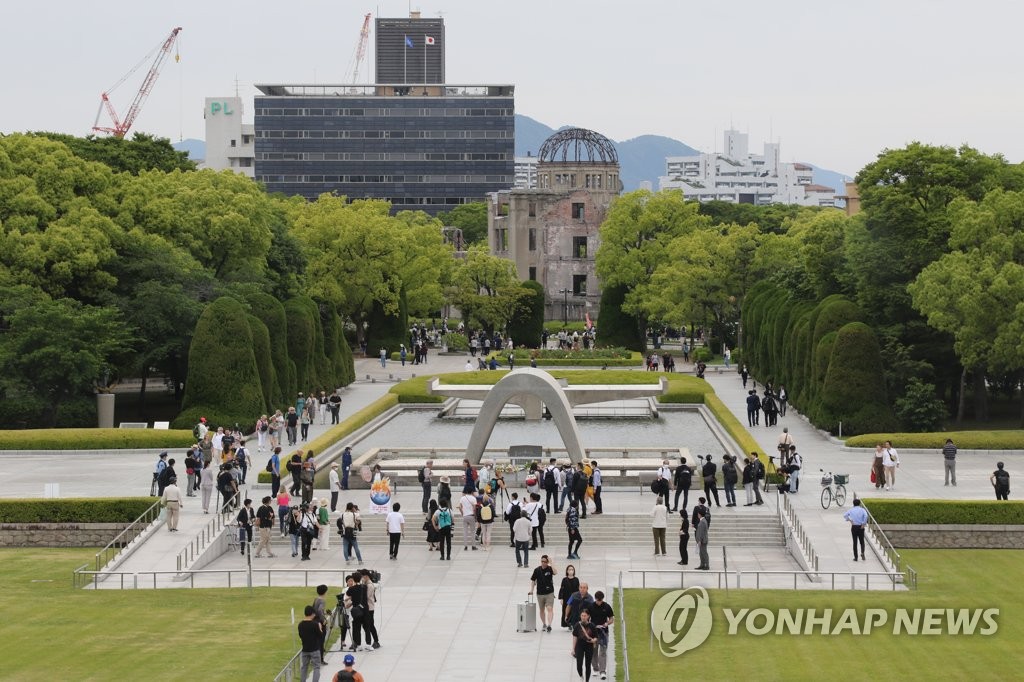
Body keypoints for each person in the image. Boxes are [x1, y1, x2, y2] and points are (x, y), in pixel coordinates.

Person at [588, 591, 615, 680]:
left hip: (604, 632)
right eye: (598, 600)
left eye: (600, 600)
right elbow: (587, 618)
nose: (599, 602)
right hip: (593, 633)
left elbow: (611, 618)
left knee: (603, 652)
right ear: (595, 599)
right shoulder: (591, 607)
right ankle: (595, 668)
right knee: (594, 651)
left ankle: (603, 671)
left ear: (602, 599)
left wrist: (607, 623)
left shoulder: (606, 607)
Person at [529, 554, 558, 632]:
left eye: (545, 561)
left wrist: (551, 563)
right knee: (542, 610)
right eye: (542, 561)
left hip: (549, 593)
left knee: (549, 608)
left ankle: (549, 625)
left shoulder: (550, 569)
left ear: (547, 562)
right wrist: (531, 590)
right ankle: (544, 624)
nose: (543, 563)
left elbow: (555, 572)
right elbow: (533, 580)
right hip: (540, 593)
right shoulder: (537, 570)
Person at [571, 608, 598, 682]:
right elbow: (575, 637)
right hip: (579, 646)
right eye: (582, 615)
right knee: (579, 664)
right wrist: (573, 649)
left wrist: (593, 640)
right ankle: (581, 675)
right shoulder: (577, 625)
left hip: (589, 646)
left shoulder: (592, 625)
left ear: (588, 616)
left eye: (585, 616)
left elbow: (596, 637)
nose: (583, 617)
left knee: (588, 664)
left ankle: (587, 680)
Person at [298, 605, 322, 682]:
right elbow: (320, 636)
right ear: (311, 614)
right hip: (314, 649)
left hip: (305, 649)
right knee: (316, 667)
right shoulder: (315, 624)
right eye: (314, 614)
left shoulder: (300, 624)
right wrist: (320, 628)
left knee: (304, 667)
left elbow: (301, 636)